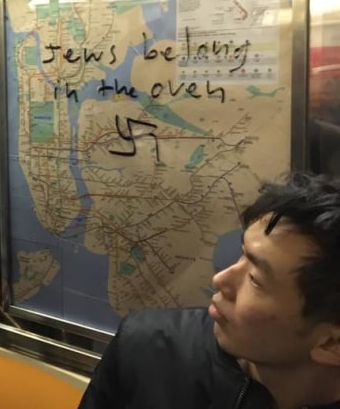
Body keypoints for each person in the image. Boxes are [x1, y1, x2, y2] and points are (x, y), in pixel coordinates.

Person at [80, 172, 340, 409]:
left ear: (331, 343)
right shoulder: (145, 350)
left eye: (254, 278)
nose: (221, 279)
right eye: (242, 255)